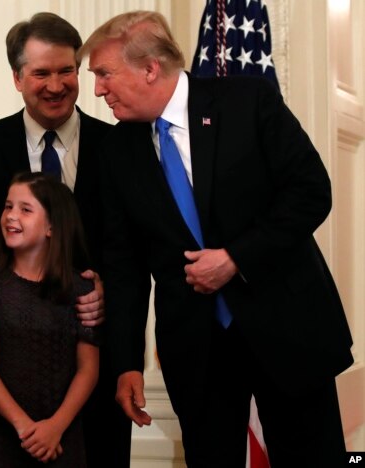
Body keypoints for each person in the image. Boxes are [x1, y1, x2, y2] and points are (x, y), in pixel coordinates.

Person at [79, 10, 354, 468]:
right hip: (198, 349)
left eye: (105, 74)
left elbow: (311, 192)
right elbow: (124, 264)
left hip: (285, 327)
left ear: (150, 68)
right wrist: (126, 361)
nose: (98, 89)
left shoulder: (247, 101)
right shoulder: (117, 149)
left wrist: (236, 259)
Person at [0, 12, 130, 467]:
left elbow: (136, 242)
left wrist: (106, 285)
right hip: (9, 355)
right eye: (42, 72)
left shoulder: (120, 145)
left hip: (94, 341)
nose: (56, 84)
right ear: (18, 78)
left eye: (67, 70)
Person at [0, 172, 99, 467]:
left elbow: (88, 369)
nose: (11, 216)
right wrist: (23, 426)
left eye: (25, 209)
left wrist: (55, 427)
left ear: (52, 225)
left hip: (61, 437)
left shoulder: (81, 288)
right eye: (7, 206)